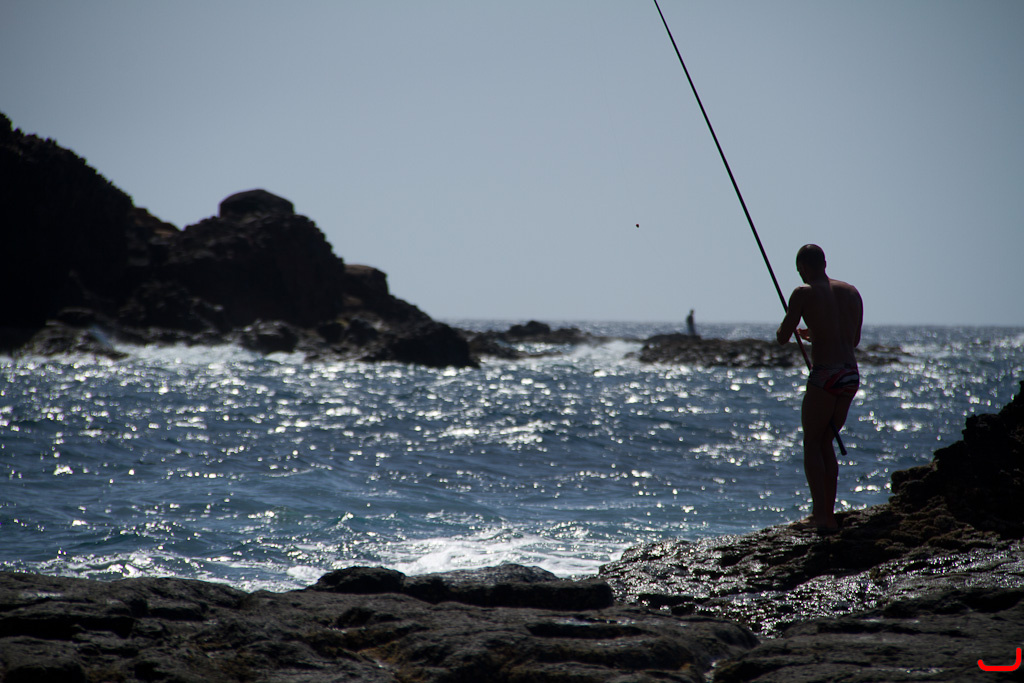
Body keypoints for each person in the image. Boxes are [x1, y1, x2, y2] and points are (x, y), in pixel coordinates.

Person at [776, 244, 863, 531]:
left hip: (825, 375)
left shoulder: (803, 292)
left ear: (802, 268)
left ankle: (819, 516)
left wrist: (789, 328)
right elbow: (852, 341)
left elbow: (782, 337)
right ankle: (829, 516)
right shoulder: (852, 292)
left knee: (812, 443)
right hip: (850, 375)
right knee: (826, 442)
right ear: (824, 263)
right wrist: (814, 334)